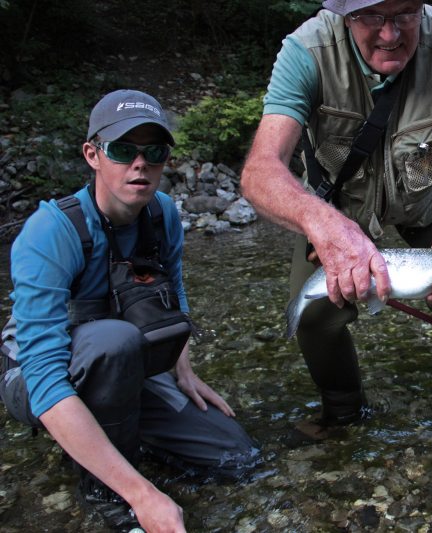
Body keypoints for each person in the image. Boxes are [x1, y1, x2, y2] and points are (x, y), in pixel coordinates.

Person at [241, 0, 432, 476]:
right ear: (343, 16)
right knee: (314, 313)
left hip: (429, 204)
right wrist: (322, 224)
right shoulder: (305, 52)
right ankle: (342, 410)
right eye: (372, 17)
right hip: (336, 213)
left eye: (404, 14)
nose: (389, 34)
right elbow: (260, 171)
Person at [0, 89, 260, 532]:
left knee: (237, 457)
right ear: (93, 155)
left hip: (124, 364)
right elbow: (43, 376)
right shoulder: (49, 232)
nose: (140, 164)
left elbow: (171, 296)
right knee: (113, 341)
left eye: (154, 152)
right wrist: (142, 493)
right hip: (33, 373)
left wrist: (184, 371)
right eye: (123, 150)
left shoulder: (162, 215)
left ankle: (114, 431)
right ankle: (103, 488)